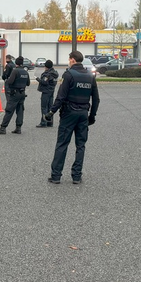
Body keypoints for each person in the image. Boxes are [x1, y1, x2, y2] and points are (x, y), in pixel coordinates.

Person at [44, 50, 100, 184]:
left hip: (69, 113)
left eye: (69, 59)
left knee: (62, 143)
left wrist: (51, 112)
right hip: (83, 114)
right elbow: (96, 99)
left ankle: (56, 176)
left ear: (73, 60)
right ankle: (76, 176)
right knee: (80, 145)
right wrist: (91, 116)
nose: (68, 62)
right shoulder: (90, 76)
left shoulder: (69, 74)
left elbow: (61, 96)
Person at [0, 56, 30, 134]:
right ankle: (18, 128)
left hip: (14, 93)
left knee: (9, 110)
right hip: (22, 93)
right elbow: (28, 83)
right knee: (20, 111)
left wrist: (7, 80)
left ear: (16, 63)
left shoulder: (15, 71)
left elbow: (10, 81)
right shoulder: (25, 72)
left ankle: (3, 128)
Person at [36, 59, 59, 127]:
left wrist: (38, 79)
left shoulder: (47, 74)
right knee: (50, 107)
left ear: (46, 66)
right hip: (51, 91)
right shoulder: (55, 73)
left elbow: (44, 82)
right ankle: (50, 122)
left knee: (44, 107)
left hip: (46, 92)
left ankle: (44, 122)